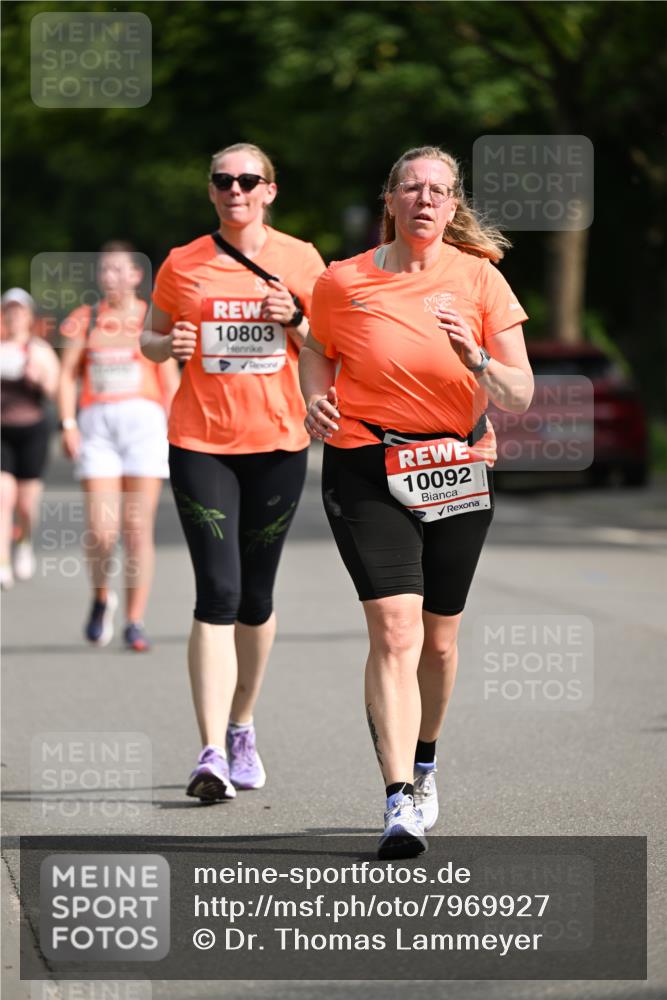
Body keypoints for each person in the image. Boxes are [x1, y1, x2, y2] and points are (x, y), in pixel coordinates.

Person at [300, 145, 534, 859]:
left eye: (439, 189)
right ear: (390, 200)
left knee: (438, 639)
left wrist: (479, 362)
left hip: (456, 463)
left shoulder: (480, 281)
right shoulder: (342, 282)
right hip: (366, 463)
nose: (425, 199)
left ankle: (425, 759)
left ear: (453, 203)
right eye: (412, 187)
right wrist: (313, 398)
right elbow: (317, 346)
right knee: (395, 632)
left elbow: (519, 393)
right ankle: (398, 798)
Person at [141, 142, 325, 801]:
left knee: (255, 599)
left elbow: (334, 345)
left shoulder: (301, 259)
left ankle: (243, 722)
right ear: (211, 189)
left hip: (278, 442)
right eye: (223, 180)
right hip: (201, 442)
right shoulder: (183, 262)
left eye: (248, 180)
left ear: (269, 190)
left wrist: (297, 317)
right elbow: (150, 337)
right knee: (216, 593)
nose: (235, 189)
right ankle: (211, 749)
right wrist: (172, 345)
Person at [57, 242, 180, 650]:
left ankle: (134, 620)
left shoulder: (151, 318)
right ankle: (100, 597)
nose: (110, 277)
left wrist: (176, 423)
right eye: (104, 270)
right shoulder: (85, 318)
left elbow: (169, 376)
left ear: (135, 276)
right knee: (101, 530)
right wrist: (69, 424)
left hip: (144, 424)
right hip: (98, 425)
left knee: (137, 529)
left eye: (118, 270)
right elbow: (65, 375)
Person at [1, 288, 60, 590]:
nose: (14, 316)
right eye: (8, 310)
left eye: (19, 310)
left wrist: (38, 378)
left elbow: (53, 391)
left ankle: (23, 542)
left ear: (28, 315)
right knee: (3, 495)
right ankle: (3, 562)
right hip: (2, 432)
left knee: (26, 504)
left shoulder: (39, 350)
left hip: (33, 431)